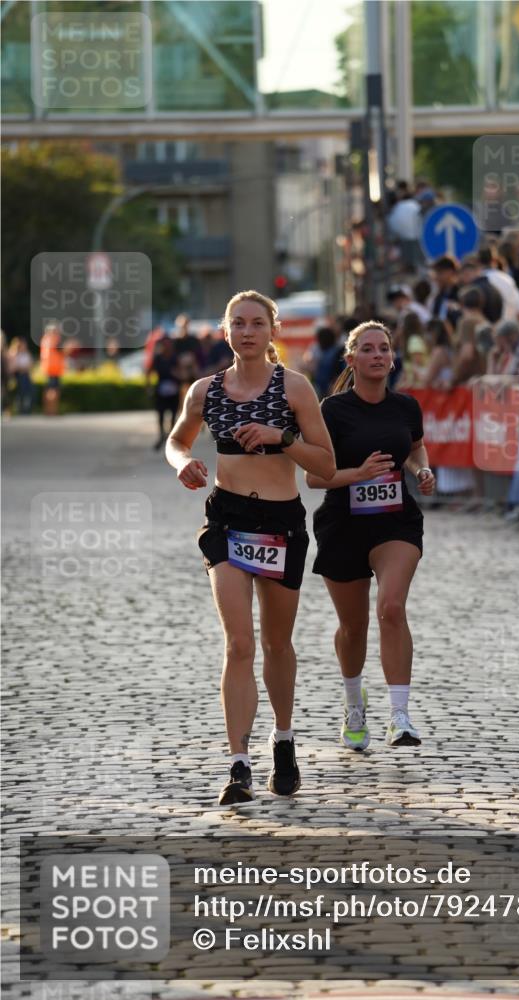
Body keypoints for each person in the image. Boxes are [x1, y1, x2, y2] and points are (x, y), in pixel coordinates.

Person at [166, 290, 335, 804]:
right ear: (225, 330)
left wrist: (280, 437)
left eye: (256, 323)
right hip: (227, 521)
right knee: (239, 642)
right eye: (237, 323)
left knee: (276, 644)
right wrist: (184, 465)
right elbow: (176, 440)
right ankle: (238, 763)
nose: (246, 331)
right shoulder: (204, 390)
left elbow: (325, 466)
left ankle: (283, 740)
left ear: (272, 331)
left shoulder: (296, 388)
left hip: (281, 523)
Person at [306, 321, 435, 751]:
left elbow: (415, 448)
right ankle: (353, 703)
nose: (378, 355)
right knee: (353, 626)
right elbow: (314, 477)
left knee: (392, 607)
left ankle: (400, 715)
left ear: (392, 358)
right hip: (342, 522)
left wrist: (421, 469)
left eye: (384, 348)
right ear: (351, 359)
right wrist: (357, 475)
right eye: (368, 349)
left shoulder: (406, 407)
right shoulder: (332, 411)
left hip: (395, 520)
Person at [149, 336, 181, 450]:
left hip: (173, 390)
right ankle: (161, 435)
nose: (167, 347)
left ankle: (171, 437)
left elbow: (180, 372)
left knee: (173, 415)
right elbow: (149, 371)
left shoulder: (174, 357)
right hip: (161, 390)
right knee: (161, 414)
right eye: (165, 345)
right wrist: (148, 386)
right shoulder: (157, 358)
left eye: (169, 344)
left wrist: (176, 374)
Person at [39, 324, 65, 416]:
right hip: (54, 369)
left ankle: (48, 411)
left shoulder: (45, 339)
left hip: (49, 368)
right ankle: (53, 411)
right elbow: (62, 351)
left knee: (48, 390)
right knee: (54, 391)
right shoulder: (53, 339)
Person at [7, 337, 34, 414]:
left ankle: (26, 409)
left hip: (26, 376)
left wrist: (23, 368)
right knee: (20, 392)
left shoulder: (27, 353)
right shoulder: (13, 353)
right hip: (17, 376)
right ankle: (19, 409)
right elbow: (14, 367)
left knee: (28, 392)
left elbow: (30, 365)